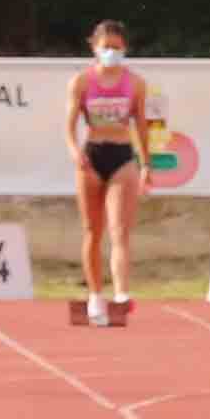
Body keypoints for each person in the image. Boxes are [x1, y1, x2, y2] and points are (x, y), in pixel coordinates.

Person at [69, 17, 155, 321]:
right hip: (91, 155)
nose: (112, 53)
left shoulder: (135, 83)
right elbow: (68, 126)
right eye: (106, 47)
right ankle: (95, 295)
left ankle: (121, 293)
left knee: (120, 230)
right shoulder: (81, 82)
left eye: (117, 48)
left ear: (125, 49)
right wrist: (74, 150)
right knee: (93, 230)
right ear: (94, 47)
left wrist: (146, 164)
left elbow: (141, 125)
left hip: (122, 156)